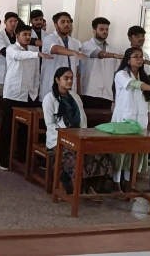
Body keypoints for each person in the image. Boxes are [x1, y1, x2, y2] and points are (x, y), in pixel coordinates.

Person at [43, 68, 112, 197]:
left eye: (71, 78)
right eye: (66, 78)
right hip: (58, 140)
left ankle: (90, 185)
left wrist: (82, 135)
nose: (69, 81)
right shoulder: (49, 99)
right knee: (73, 156)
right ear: (57, 80)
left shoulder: (75, 97)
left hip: (78, 137)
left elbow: (83, 119)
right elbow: (50, 125)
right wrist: (68, 136)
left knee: (98, 154)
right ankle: (73, 187)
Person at [0, 24, 53, 171]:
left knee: (25, 129)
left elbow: (36, 74)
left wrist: (35, 91)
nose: (28, 37)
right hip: (13, 94)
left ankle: (21, 157)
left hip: (29, 95)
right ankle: (3, 158)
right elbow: (19, 56)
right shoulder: (12, 49)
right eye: (25, 35)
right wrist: (37, 54)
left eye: (29, 35)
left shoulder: (34, 50)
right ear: (17, 36)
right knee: (8, 128)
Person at [111, 47, 150, 192]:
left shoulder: (144, 76)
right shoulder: (121, 74)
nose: (140, 59)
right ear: (128, 59)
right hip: (124, 118)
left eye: (141, 57)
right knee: (121, 152)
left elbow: (146, 102)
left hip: (140, 119)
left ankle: (129, 182)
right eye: (136, 56)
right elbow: (134, 85)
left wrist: (148, 119)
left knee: (134, 152)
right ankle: (115, 183)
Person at [79, 17, 124, 109]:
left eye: (107, 29)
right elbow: (99, 54)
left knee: (104, 122)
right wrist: (116, 55)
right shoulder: (86, 46)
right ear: (94, 30)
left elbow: (116, 73)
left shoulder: (112, 49)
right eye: (101, 29)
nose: (105, 31)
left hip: (107, 94)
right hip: (90, 92)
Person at [39, 12, 85, 99]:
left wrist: (78, 90)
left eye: (68, 22)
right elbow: (55, 49)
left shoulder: (75, 42)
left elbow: (76, 68)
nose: (66, 24)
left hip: (70, 88)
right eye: (63, 22)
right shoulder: (49, 39)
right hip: (52, 85)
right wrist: (73, 53)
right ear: (56, 25)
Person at [0, 12, 19, 94]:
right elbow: (3, 51)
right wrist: (18, 55)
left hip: (15, 72)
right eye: (10, 21)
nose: (13, 23)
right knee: (0, 98)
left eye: (15, 21)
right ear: (5, 22)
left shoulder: (18, 36)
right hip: (2, 71)